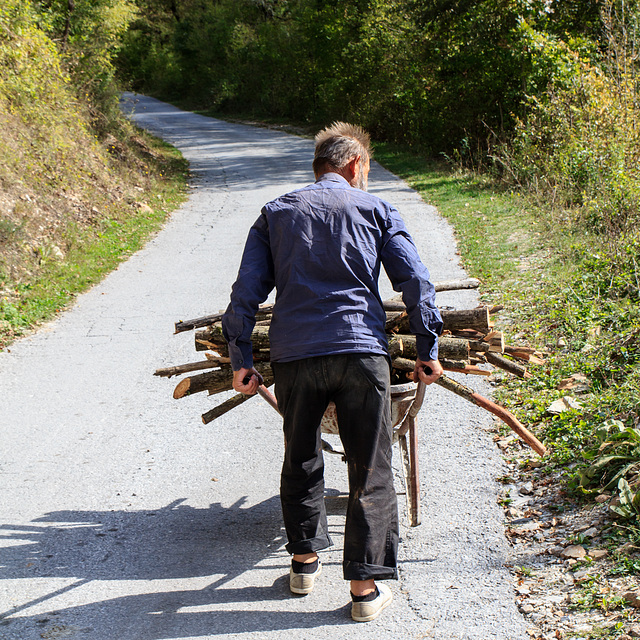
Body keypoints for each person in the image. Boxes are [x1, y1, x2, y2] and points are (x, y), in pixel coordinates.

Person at [221, 122, 443, 622]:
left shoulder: (276, 213)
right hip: (362, 353)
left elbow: (245, 293)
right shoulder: (378, 209)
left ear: (320, 167)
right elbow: (416, 282)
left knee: (300, 455)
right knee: (371, 466)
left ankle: (303, 565)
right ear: (354, 166)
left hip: (295, 355)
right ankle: (363, 591)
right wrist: (426, 346)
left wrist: (242, 359)